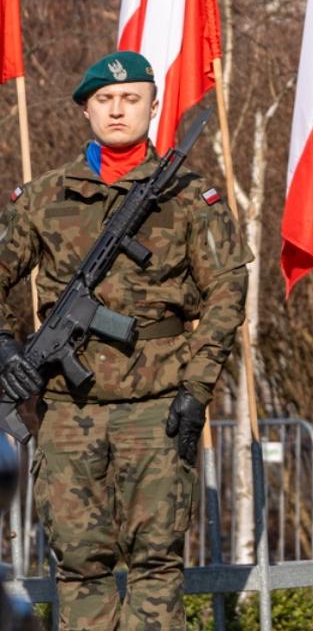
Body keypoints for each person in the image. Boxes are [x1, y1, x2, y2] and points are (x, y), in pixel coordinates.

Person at [0, 51, 250, 628]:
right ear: (87, 109)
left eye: (132, 98)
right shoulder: (43, 197)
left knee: (156, 565)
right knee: (79, 564)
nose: (118, 110)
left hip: (158, 405)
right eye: (105, 100)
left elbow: (226, 293)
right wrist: (6, 349)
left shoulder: (190, 197)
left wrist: (197, 388)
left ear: (153, 106)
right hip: (67, 410)